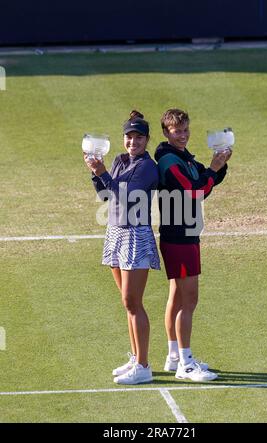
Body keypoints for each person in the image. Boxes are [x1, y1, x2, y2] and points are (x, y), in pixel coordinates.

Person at [154, 108, 232, 382]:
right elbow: (196, 190)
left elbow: (205, 181)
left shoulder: (182, 158)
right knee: (189, 300)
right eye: (178, 131)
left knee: (176, 295)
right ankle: (185, 364)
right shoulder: (169, 161)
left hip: (183, 234)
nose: (184, 135)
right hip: (180, 237)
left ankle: (174, 356)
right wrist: (213, 168)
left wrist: (220, 164)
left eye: (186, 130)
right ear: (166, 132)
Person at [83, 110, 160, 385]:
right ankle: (136, 357)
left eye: (139, 137)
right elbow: (106, 195)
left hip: (136, 236)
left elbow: (127, 198)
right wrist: (96, 173)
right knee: (127, 303)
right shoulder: (118, 160)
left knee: (133, 301)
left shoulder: (147, 167)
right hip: (115, 232)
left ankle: (144, 366)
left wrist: (102, 172)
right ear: (123, 138)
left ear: (147, 139)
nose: (133, 142)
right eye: (129, 136)